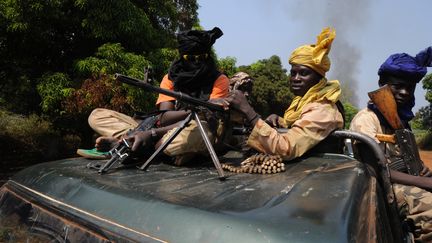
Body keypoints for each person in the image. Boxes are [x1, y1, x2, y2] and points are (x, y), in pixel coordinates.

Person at [79, 27, 230, 165]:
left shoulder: (219, 80)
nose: (196, 63)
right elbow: (163, 118)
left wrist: (151, 134)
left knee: (193, 133)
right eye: (190, 59)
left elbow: (208, 121)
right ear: (181, 57)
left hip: (195, 130)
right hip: (160, 129)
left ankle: (129, 145)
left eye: (201, 58)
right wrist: (192, 111)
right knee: (97, 115)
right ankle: (138, 143)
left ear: (207, 56)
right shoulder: (170, 78)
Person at [350, 46, 432, 242]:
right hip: (379, 187)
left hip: (403, 183)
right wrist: (425, 182)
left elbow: (411, 162)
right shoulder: (367, 119)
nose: (404, 92)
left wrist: (423, 171)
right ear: (382, 84)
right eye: (397, 86)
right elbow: (377, 169)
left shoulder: (402, 121)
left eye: (410, 88)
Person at [224, 27, 344, 160]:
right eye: (293, 73)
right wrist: (281, 122)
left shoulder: (323, 109)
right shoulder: (302, 102)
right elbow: (300, 127)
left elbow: (286, 148)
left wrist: (249, 112)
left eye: (304, 73)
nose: (296, 78)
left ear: (319, 78)